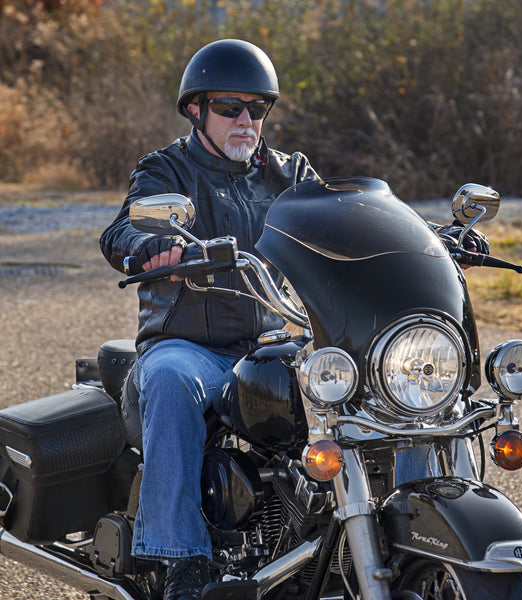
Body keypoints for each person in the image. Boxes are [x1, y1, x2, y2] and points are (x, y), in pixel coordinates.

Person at [99, 39, 320, 600]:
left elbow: (344, 217)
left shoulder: (288, 173)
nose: (245, 120)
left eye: (257, 108)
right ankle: (181, 561)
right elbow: (124, 229)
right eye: (229, 107)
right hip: (188, 347)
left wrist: (426, 239)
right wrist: (150, 246)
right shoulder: (166, 169)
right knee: (171, 380)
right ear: (196, 109)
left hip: (271, 344)